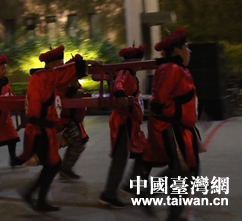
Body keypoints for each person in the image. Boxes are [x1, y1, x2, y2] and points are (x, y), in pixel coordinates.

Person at [17, 46, 95, 212]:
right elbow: (62, 74)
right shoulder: (44, 77)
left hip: (44, 128)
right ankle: (33, 196)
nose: (61, 67)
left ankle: (36, 198)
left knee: (52, 164)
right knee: (53, 164)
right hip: (40, 129)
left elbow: (64, 76)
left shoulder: (44, 77)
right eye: (59, 64)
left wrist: (78, 65)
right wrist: (85, 64)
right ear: (51, 64)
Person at [143, 27, 200, 221]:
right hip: (171, 129)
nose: (189, 50)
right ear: (176, 50)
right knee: (183, 173)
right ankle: (168, 211)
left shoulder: (177, 69)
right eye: (186, 47)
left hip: (181, 128)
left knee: (187, 172)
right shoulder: (170, 69)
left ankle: (156, 198)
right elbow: (159, 100)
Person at [99, 45, 147, 208]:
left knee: (144, 153)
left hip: (131, 122)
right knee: (120, 158)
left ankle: (132, 184)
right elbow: (118, 84)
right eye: (139, 60)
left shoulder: (132, 74)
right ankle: (108, 194)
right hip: (123, 121)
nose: (141, 63)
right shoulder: (125, 72)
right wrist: (120, 94)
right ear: (132, 60)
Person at [56, 56, 89, 180]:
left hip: (71, 120)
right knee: (76, 142)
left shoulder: (74, 80)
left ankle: (64, 168)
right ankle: (62, 168)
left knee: (79, 142)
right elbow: (59, 97)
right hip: (63, 120)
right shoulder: (64, 81)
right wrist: (73, 93)